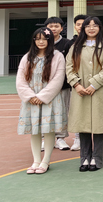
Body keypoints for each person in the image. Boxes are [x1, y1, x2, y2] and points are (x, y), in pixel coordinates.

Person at [66, 16, 103, 172]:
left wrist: (94, 84)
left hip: (99, 91)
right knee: (83, 124)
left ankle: (97, 158)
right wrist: (76, 84)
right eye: (88, 26)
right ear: (83, 29)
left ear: (100, 28)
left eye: (95, 25)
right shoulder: (75, 47)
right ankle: (84, 158)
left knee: (99, 125)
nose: (91, 28)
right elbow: (69, 67)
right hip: (80, 91)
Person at [16, 28, 66, 174]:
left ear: (50, 40)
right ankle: (36, 160)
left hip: (49, 99)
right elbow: (20, 79)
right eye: (37, 39)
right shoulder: (27, 57)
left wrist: (42, 97)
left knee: (48, 129)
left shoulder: (57, 56)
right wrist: (30, 96)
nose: (41, 42)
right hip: (31, 100)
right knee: (35, 130)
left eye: (44, 39)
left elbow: (58, 79)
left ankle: (46, 161)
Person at [44, 17, 73, 151]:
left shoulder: (67, 44)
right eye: (51, 26)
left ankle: (61, 138)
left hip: (63, 85)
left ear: (61, 28)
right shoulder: (42, 42)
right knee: (45, 112)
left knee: (62, 112)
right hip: (45, 86)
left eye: (56, 26)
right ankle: (45, 138)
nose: (53, 29)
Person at [67, 14, 87, 151]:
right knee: (78, 112)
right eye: (78, 24)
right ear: (75, 26)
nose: (81, 27)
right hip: (77, 84)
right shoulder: (70, 44)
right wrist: (75, 83)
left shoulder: (99, 43)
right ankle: (78, 138)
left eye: (84, 24)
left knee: (99, 112)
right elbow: (68, 66)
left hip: (94, 84)